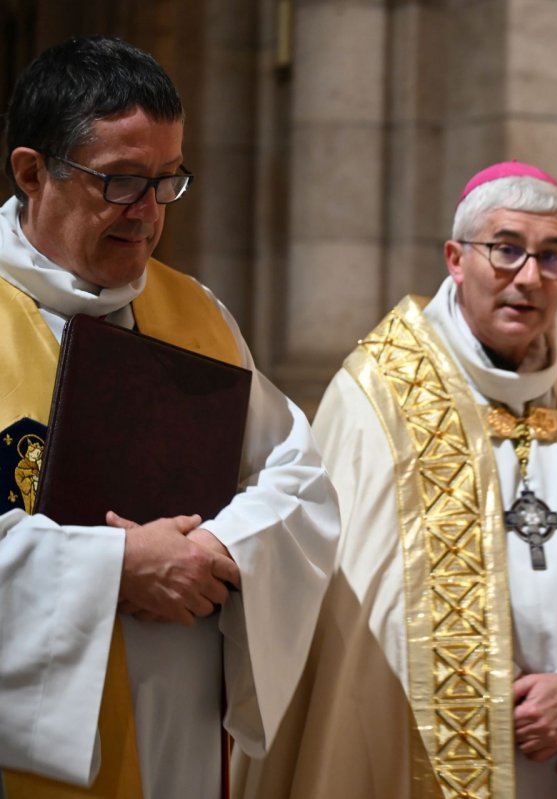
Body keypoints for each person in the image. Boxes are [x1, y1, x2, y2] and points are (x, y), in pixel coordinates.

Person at [234, 161, 557, 798]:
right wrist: (476, 687)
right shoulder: (383, 393)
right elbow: (354, 602)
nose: (529, 278)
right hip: (418, 740)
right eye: (506, 250)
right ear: (456, 258)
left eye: (552, 256)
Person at [0, 36, 340, 798]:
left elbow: (298, 477)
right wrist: (117, 569)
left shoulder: (195, 312)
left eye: (167, 180)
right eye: (120, 182)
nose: (149, 214)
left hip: (176, 738)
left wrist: (216, 547)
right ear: (32, 173)